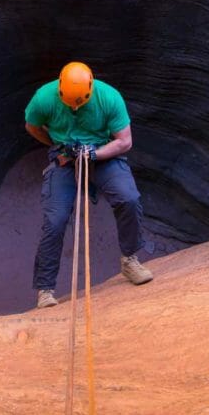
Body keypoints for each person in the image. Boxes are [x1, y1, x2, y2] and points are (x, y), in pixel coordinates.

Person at [24, 61, 153, 309]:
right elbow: (32, 125)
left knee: (128, 198)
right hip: (65, 158)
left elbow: (124, 142)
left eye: (79, 103)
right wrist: (56, 145)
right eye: (69, 102)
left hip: (103, 154)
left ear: (90, 91)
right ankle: (45, 289)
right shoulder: (44, 98)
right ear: (60, 90)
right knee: (55, 220)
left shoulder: (109, 98)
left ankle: (130, 259)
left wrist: (94, 153)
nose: (73, 107)